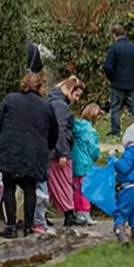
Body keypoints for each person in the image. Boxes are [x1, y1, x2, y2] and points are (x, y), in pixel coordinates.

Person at [0, 72, 59, 239]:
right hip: (34, 152)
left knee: (9, 187)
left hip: (10, 149)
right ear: (40, 87)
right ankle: (28, 226)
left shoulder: (10, 99)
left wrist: (0, 141)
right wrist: (47, 148)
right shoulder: (46, 106)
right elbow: (54, 133)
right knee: (30, 189)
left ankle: (11, 226)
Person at [48, 76, 85, 228]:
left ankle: (43, 216)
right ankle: (69, 214)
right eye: (76, 95)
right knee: (64, 182)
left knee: (51, 184)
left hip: (50, 149)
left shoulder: (51, 101)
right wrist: (62, 152)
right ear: (70, 90)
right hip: (59, 152)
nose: (76, 100)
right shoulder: (61, 106)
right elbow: (61, 130)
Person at [103, 24, 134, 137]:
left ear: (114, 35)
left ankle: (115, 131)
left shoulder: (113, 48)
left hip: (117, 83)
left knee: (115, 108)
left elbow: (107, 66)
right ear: (125, 33)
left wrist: (112, 77)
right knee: (133, 106)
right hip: (131, 82)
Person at [71, 103, 102, 226]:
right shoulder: (90, 131)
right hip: (85, 164)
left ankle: (78, 212)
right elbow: (93, 149)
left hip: (75, 163)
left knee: (77, 189)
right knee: (85, 190)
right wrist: (97, 155)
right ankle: (85, 213)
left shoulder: (76, 127)